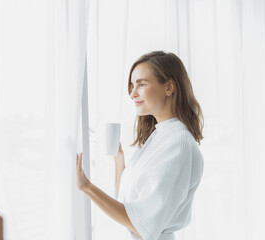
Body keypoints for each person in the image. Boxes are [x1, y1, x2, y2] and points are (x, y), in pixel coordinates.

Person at [76, 51, 204, 240]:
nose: (132, 93)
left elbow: (140, 223)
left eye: (142, 84)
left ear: (169, 87)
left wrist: (86, 186)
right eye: (132, 85)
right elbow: (130, 206)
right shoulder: (161, 136)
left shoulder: (179, 144)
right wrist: (119, 161)